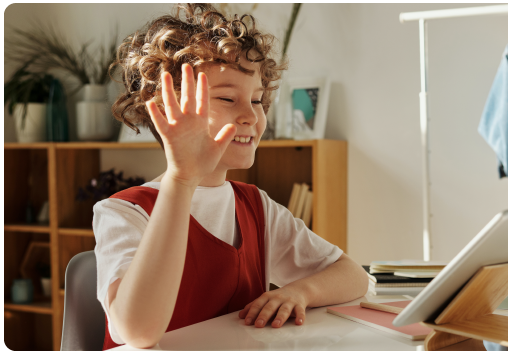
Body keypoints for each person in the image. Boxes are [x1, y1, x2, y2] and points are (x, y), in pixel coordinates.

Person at [94, 4, 368, 350]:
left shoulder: (256, 206)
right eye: (227, 98)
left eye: (257, 100)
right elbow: (138, 331)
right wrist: (182, 179)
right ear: (166, 110)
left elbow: (354, 276)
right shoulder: (123, 213)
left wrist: (300, 290)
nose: (251, 116)